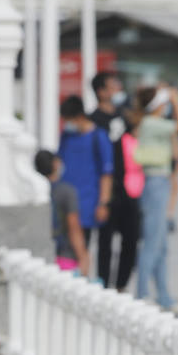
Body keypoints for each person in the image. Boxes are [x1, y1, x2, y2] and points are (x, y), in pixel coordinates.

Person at [130, 85, 178, 310]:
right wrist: (175, 101)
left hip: (159, 181)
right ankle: (142, 294)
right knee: (152, 244)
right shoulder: (152, 123)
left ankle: (164, 297)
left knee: (161, 246)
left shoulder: (155, 125)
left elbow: (177, 152)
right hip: (154, 183)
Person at [90, 71, 142, 292]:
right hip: (106, 189)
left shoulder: (124, 115)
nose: (117, 90)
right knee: (105, 241)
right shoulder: (93, 120)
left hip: (129, 187)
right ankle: (103, 285)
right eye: (112, 86)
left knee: (131, 238)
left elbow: (138, 129)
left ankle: (121, 285)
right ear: (101, 91)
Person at [56, 95, 114, 256]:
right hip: (64, 203)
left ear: (79, 116)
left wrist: (103, 203)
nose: (68, 124)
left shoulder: (98, 137)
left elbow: (106, 174)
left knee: (82, 250)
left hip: (87, 203)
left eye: (69, 119)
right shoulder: (67, 136)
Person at [36, 149, 89, 274]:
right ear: (55, 164)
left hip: (40, 256)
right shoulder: (66, 192)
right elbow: (73, 226)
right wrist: (83, 256)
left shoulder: (34, 193)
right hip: (65, 258)